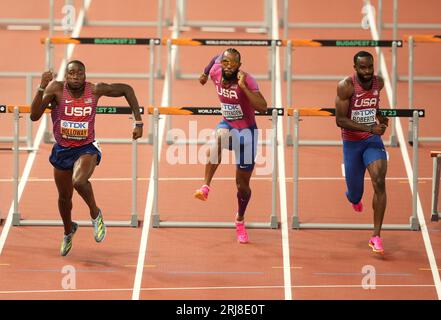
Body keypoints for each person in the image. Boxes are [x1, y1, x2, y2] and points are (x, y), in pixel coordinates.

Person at [30, 60, 143, 256]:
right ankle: (68, 231)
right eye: (71, 73)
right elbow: (34, 116)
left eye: (79, 73)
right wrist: (41, 86)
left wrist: (138, 122)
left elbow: (127, 89)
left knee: (79, 181)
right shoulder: (56, 89)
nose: (75, 77)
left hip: (86, 147)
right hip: (63, 149)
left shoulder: (95, 90)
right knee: (64, 199)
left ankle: (95, 214)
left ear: (85, 75)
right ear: (66, 76)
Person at [194, 48, 268, 244]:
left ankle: (240, 220)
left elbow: (263, 107)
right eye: (225, 62)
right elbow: (213, 58)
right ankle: (205, 187)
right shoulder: (216, 70)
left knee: (242, 186)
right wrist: (204, 72)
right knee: (219, 137)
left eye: (232, 63)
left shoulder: (248, 80)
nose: (228, 66)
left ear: (239, 66)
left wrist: (243, 87)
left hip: (247, 133)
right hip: (227, 125)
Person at [335, 51, 389, 254]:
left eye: (370, 67)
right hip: (352, 143)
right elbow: (340, 120)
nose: (367, 71)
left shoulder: (379, 83)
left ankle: (376, 236)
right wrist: (370, 127)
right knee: (355, 193)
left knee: (379, 180)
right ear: (355, 68)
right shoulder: (346, 86)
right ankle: (354, 198)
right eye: (363, 67)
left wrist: (382, 119)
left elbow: (373, 106)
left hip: (372, 141)